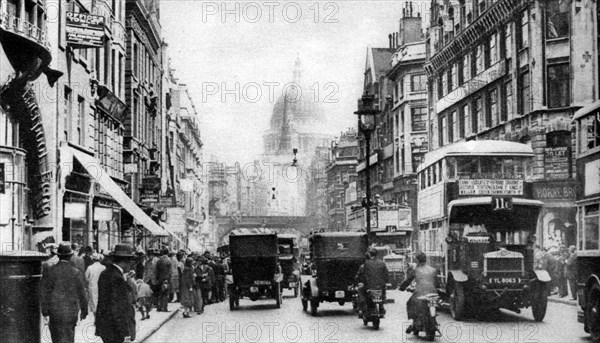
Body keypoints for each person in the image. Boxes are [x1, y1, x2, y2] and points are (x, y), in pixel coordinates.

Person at [39, 242, 88, 343]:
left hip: (55, 312)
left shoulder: (50, 271)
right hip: (71, 312)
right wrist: (84, 311)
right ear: (70, 256)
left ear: (58, 256)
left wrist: (45, 311)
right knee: (69, 337)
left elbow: (44, 292)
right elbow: (82, 294)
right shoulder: (76, 273)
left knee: (56, 337)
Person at [95, 243, 136, 343]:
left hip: (105, 326)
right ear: (125, 261)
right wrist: (125, 333)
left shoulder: (105, 273)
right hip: (116, 330)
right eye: (130, 261)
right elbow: (118, 309)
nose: (130, 264)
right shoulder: (118, 278)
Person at [399, 251, 438, 334]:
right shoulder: (433, 270)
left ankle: (411, 322)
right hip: (433, 293)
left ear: (417, 260)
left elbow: (407, 281)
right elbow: (436, 283)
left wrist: (402, 287)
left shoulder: (415, 270)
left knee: (410, 303)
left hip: (421, 293)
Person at [355, 248, 389, 316]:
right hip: (380, 285)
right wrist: (384, 282)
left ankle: (362, 308)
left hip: (369, 286)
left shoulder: (366, 264)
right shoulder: (382, 263)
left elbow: (363, 275)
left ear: (370, 255)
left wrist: (363, 283)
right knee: (383, 291)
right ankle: (381, 306)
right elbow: (386, 275)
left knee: (360, 290)